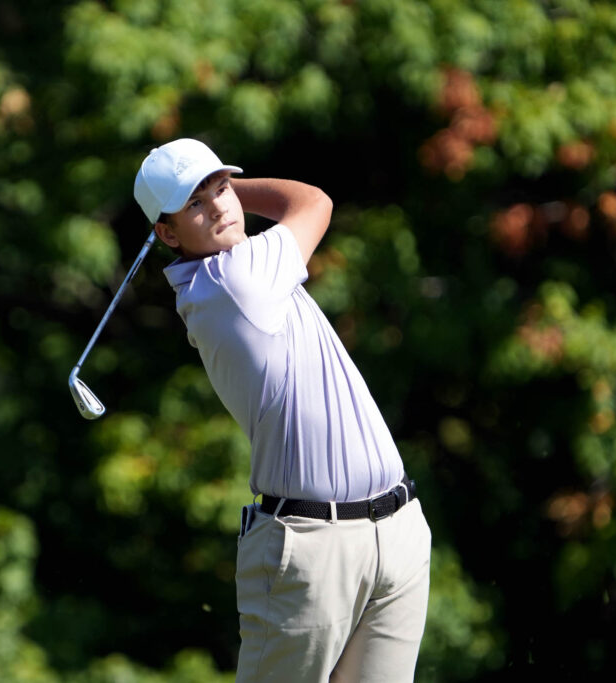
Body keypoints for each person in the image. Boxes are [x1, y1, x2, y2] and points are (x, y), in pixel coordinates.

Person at [133, 138, 431, 682]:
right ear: (167, 234)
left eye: (221, 188)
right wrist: (235, 193)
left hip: (397, 530)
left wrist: (208, 196)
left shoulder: (242, 268)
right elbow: (313, 201)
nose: (219, 207)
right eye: (195, 203)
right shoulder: (234, 280)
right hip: (312, 548)